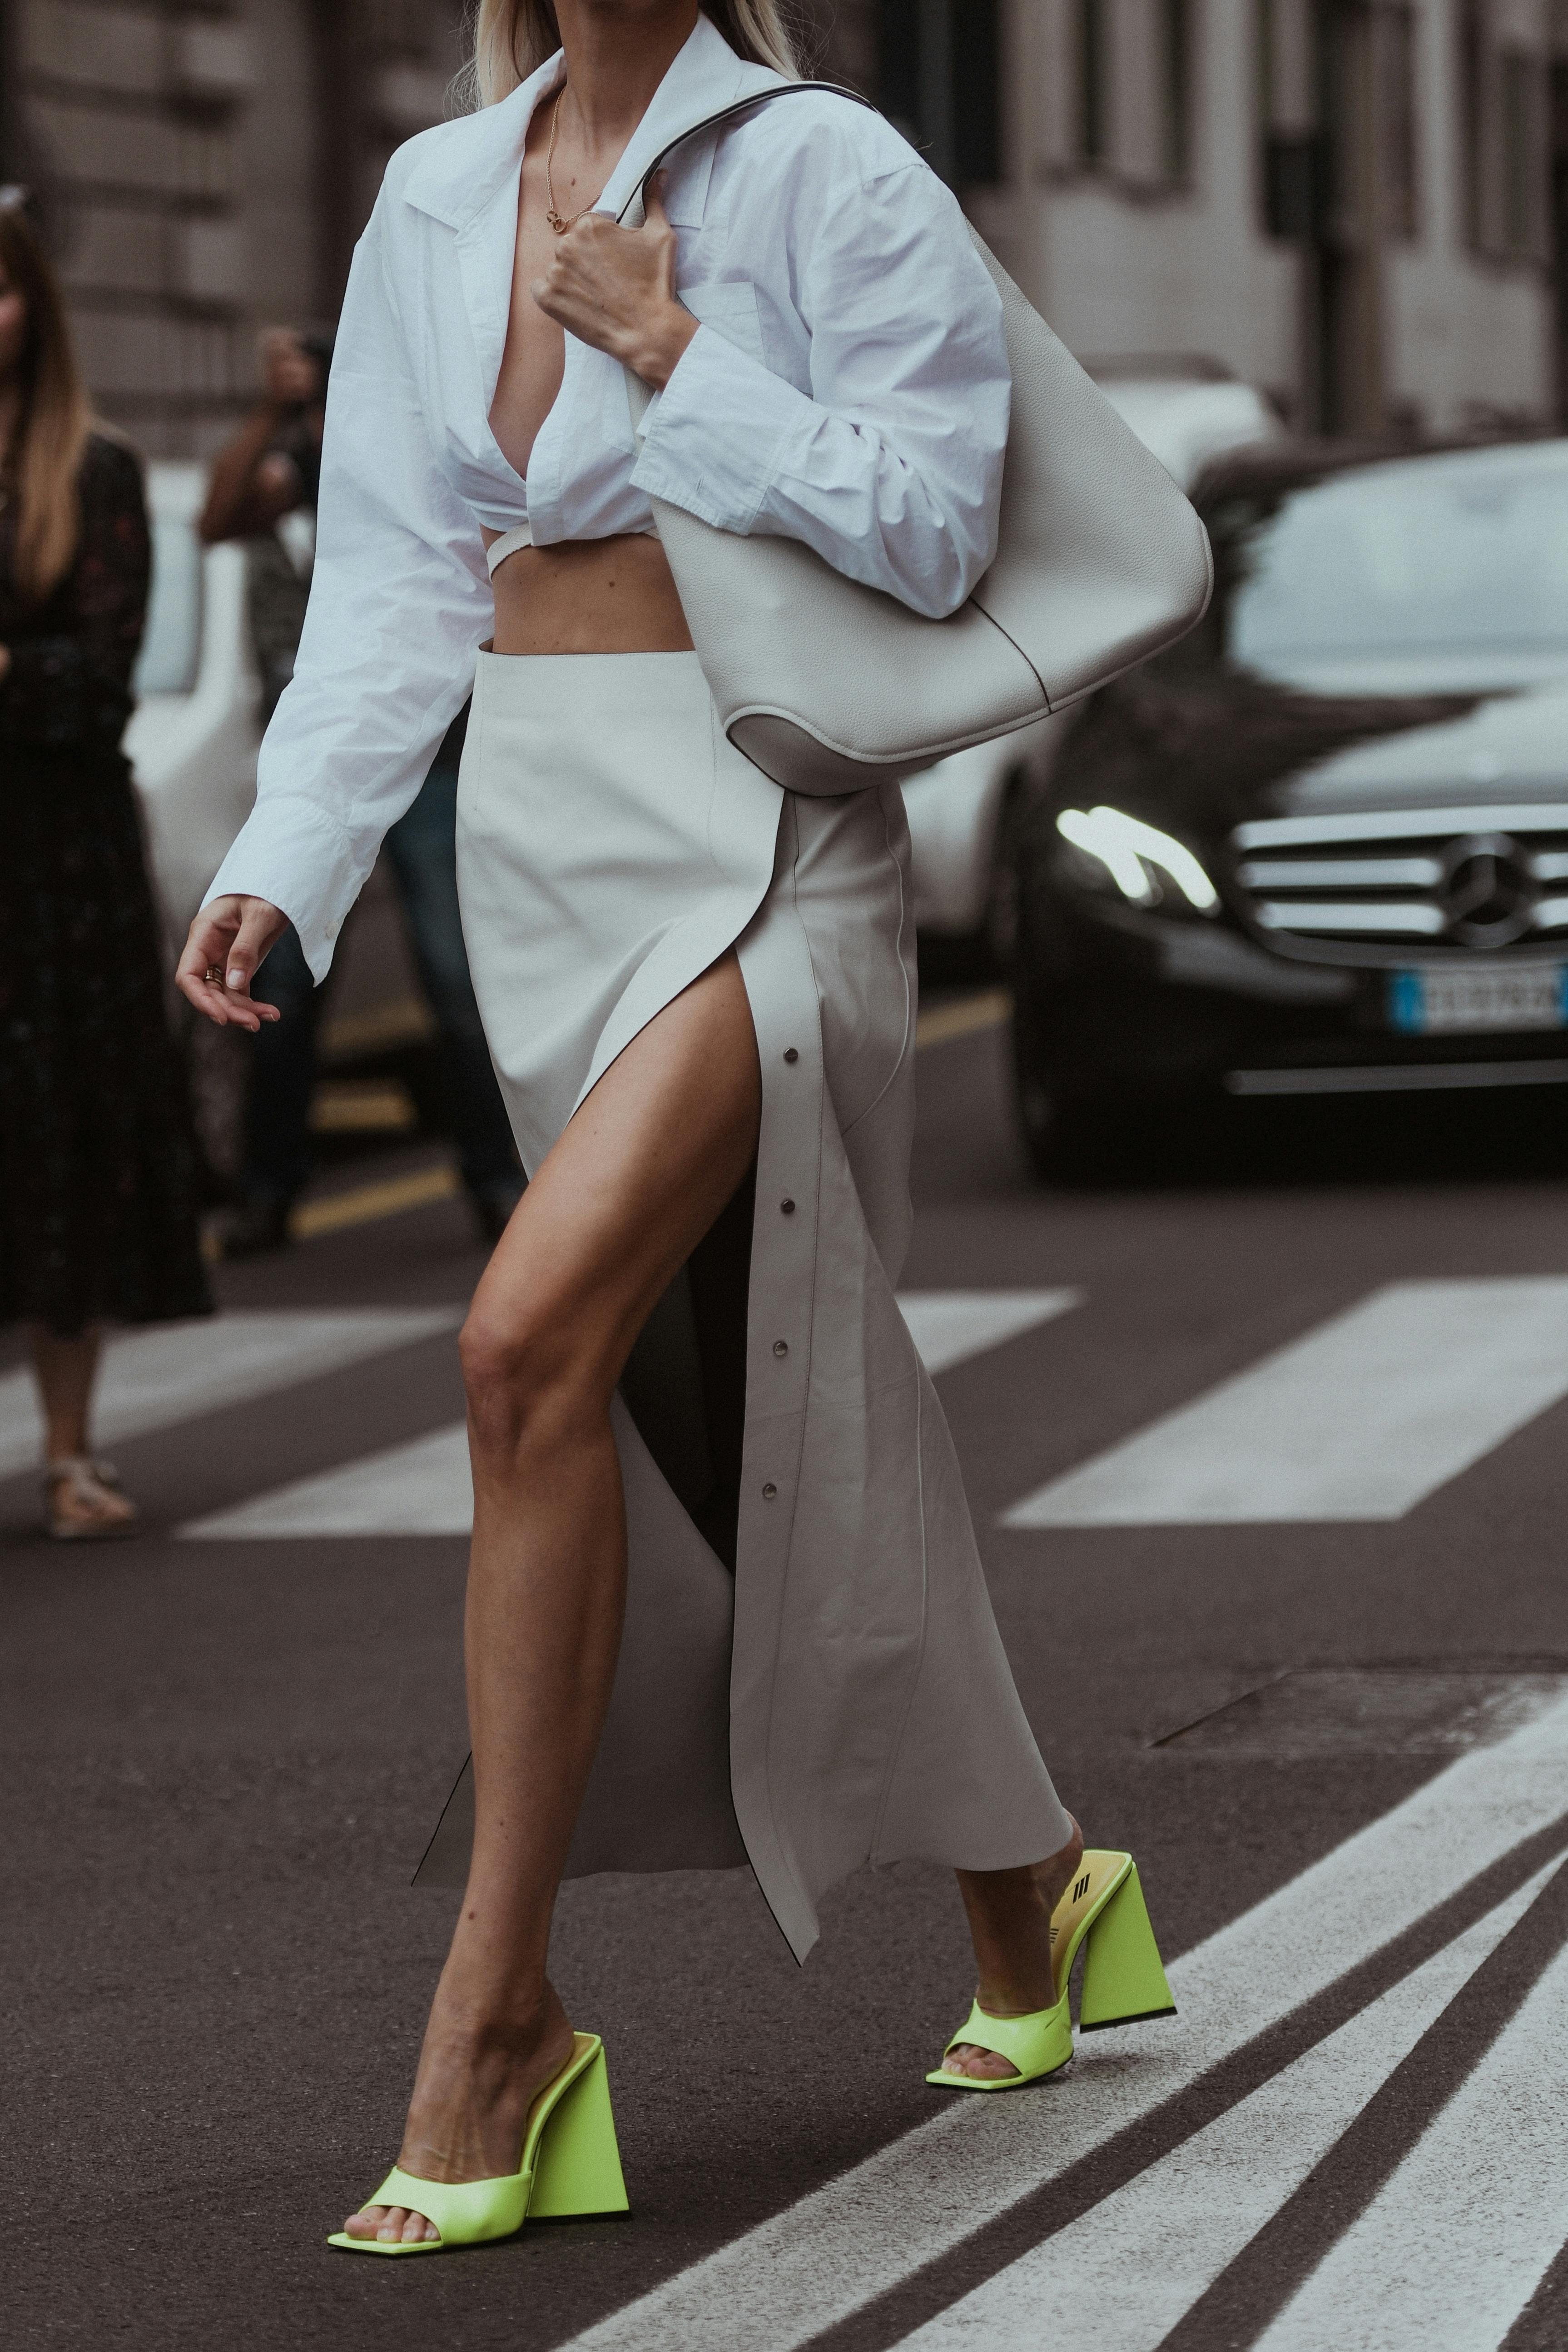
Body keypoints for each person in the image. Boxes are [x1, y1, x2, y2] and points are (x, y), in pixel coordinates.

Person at [179, 1, 1166, 2255]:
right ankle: (1036, 1882)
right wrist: (291, 855)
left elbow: (931, 535)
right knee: (737, 1387)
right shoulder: (435, 193)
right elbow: (400, 582)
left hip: (771, 819)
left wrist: (682, 341)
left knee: (524, 1344)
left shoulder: (825, 169)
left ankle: (497, 2018)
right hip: (539, 835)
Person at [200, 333, 524, 1253]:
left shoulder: (408, 465)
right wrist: (274, 416)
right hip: (319, 766)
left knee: (455, 979)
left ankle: (497, 1183)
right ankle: (269, 1191)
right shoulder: (287, 466)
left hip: (432, 756)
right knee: (282, 986)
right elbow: (215, 519)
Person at [0, 188, 211, 1539]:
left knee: (62, 1141)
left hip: (52, 863)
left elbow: (97, 680)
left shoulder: (95, 469)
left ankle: (71, 1449)